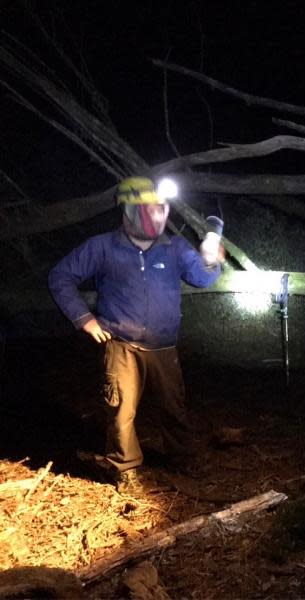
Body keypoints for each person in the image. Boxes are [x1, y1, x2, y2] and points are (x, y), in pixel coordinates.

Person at [48, 176, 224, 493]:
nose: (157, 216)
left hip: (164, 347)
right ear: (128, 211)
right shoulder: (102, 247)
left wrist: (212, 257)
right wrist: (84, 319)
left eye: (161, 209)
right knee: (120, 410)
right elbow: (60, 277)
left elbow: (202, 278)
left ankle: (182, 457)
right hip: (120, 345)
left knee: (174, 407)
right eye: (149, 209)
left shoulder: (174, 248)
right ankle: (125, 468)